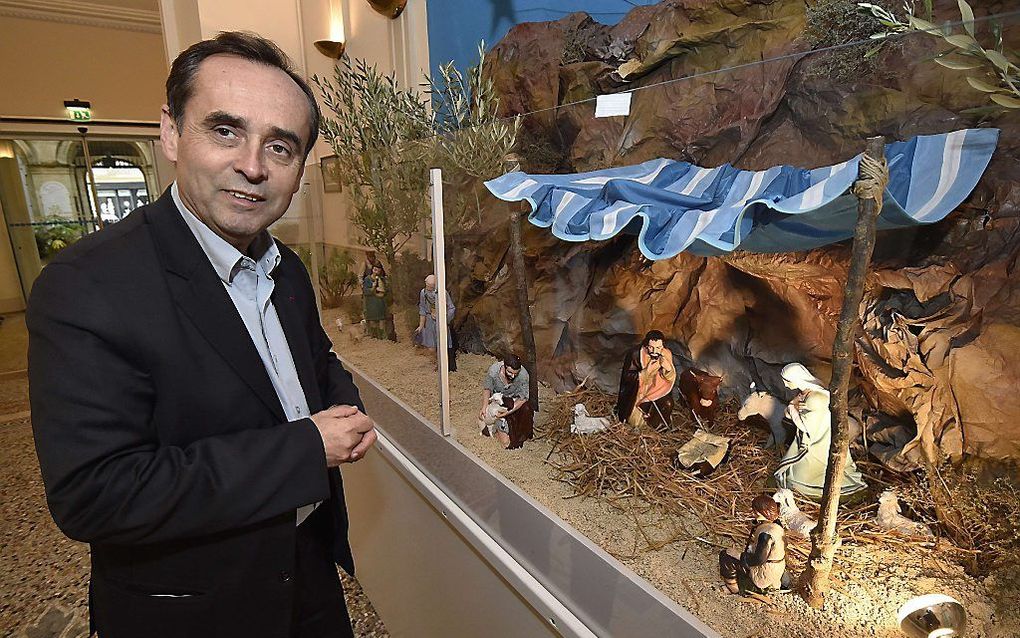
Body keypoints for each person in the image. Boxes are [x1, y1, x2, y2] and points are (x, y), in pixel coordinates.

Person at [26, 33, 376, 638]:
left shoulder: (286, 269)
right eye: (225, 130)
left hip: (307, 575)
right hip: (195, 607)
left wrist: (346, 402)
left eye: (281, 146)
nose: (253, 165)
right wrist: (306, 449)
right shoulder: (86, 285)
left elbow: (313, 361)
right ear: (170, 133)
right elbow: (96, 493)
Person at [773, 362, 867, 499]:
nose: (786, 385)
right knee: (793, 474)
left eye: (787, 381)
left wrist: (793, 408)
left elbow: (805, 426)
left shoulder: (815, 399)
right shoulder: (806, 394)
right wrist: (792, 408)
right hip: (811, 440)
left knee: (800, 479)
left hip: (820, 444)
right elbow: (790, 414)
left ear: (797, 379)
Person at [719, 495, 789, 596]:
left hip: (765, 571)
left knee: (726, 556)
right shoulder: (777, 524)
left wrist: (740, 556)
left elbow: (758, 559)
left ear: (758, 511)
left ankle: (733, 587)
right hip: (777, 566)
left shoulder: (766, 535)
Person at [615, 330, 676, 428]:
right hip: (638, 391)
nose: (655, 351)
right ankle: (643, 423)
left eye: (658, 348)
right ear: (646, 345)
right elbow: (627, 376)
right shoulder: (635, 354)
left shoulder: (666, 354)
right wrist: (645, 373)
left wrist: (668, 369)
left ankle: (657, 426)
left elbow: (669, 378)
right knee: (635, 422)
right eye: (651, 347)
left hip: (658, 390)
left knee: (667, 403)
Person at [479, 354, 534, 449]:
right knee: (506, 443)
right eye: (510, 372)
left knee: (527, 408)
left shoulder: (524, 375)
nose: (512, 376)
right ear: (504, 367)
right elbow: (487, 388)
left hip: (514, 403)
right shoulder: (493, 371)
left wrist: (508, 412)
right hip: (499, 404)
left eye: (515, 374)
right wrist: (484, 406)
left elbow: (523, 398)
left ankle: (522, 437)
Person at [413, 274, 456, 370]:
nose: (428, 288)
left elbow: (451, 308)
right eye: (427, 285)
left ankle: (443, 365)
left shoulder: (442, 293)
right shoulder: (423, 293)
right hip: (429, 322)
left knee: (442, 345)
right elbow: (422, 308)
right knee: (431, 348)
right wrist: (421, 325)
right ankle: (437, 361)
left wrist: (444, 319)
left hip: (440, 323)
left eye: (430, 286)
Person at [362, 262, 389, 339]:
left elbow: (385, 290)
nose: (376, 272)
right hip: (371, 303)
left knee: (381, 320)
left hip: (380, 302)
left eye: (378, 271)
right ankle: (375, 337)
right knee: (372, 320)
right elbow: (365, 291)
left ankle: (382, 337)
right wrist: (373, 288)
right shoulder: (367, 279)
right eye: (375, 270)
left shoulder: (382, 279)